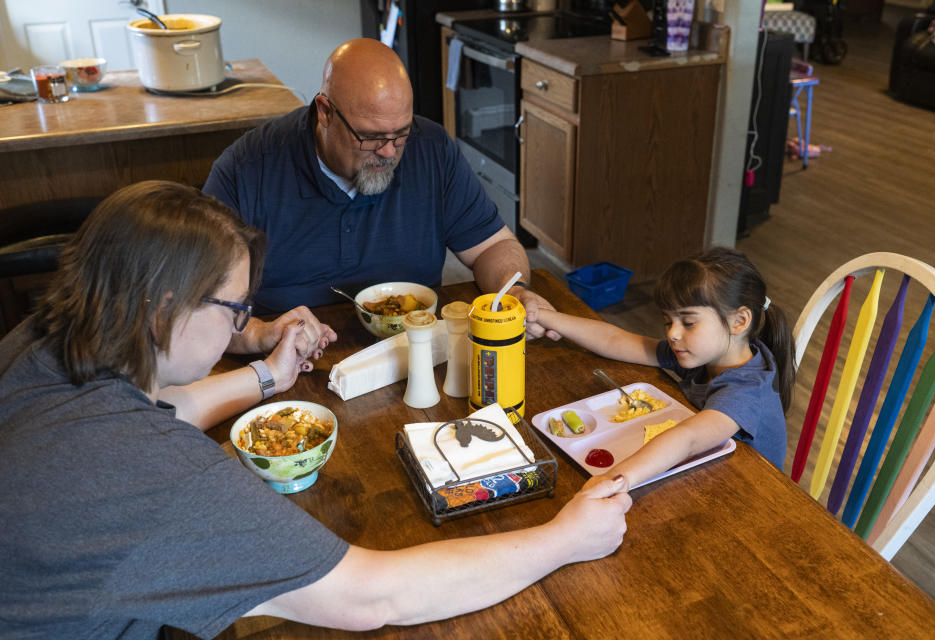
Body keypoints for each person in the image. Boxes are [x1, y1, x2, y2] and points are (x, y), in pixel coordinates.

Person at [0, 181, 631, 639]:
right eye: (237, 311)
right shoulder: (145, 472)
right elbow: (371, 596)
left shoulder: (47, 340)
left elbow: (168, 409)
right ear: (166, 310)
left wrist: (268, 377)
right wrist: (563, 539)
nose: (245, 324)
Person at [203, 37, 560, 340]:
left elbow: (493, 246)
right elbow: (200, 306)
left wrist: (512, 291)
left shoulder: (431, 149)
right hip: (285, 360)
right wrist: (258, 336)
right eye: (370, 137)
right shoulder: (248, 169)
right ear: (324, 112)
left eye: (401, 133)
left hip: (414, 348)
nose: (389, 152)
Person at [530, 247, 796, 487]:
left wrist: (614, 481)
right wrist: (542, 316)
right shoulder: (702, 353)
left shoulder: (747, 391)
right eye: (668, 321)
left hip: (751, 493)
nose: (673, 334)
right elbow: (614, 339)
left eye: (688, 322)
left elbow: (688, 438)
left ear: (739, 321)